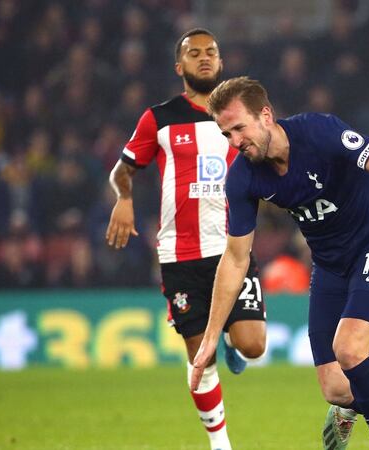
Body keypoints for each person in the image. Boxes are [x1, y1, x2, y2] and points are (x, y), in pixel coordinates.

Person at [189, 76, 369, 450]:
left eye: (238, 128)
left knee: (350, 349)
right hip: (329, 266)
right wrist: (210, 338)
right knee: (336, 389)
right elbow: (235, 259)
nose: (234, 142)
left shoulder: (319, 132)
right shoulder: (243, 178)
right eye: (225, 133)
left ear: (266, 115)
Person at [105, 29, 267, 450]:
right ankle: (220, 443)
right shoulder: (158, 118)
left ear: (221, 61)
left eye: (211, 51)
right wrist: (124, 197)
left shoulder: (236, 115)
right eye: (193, 54)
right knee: (201, 356)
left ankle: (232, 337)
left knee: (252, 345)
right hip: (181, 253)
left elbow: (267, 154)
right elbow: (124, 168)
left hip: (234, 245)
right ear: (180, 67)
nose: (204, 58)